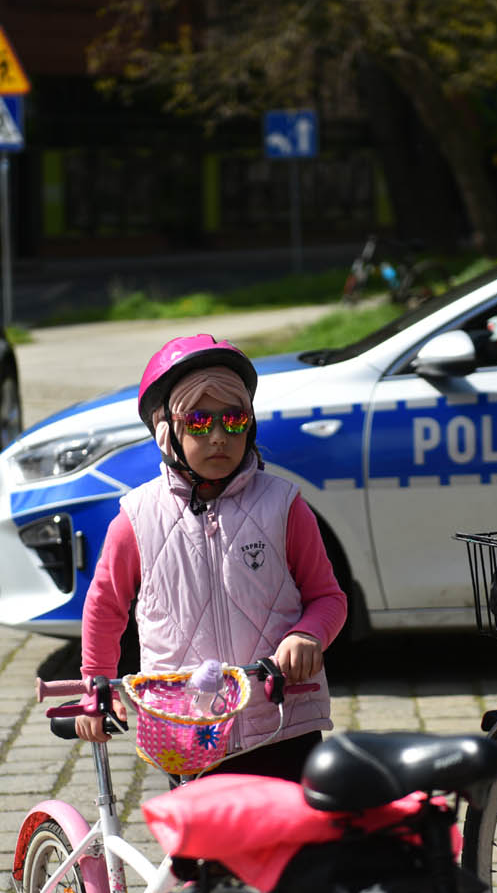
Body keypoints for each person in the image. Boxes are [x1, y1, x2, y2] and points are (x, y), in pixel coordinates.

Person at [75, 334, 347, 783]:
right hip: (189, 729)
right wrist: (96, 689)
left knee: (293, 845)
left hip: (280, 721)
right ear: (166, 433)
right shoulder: (137, 518)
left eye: (234, 420)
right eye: (199, 422)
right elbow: (104, 607)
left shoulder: (284, 506)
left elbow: (328, 597)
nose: (219, 437)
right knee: (202, 849)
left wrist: (308, 635)